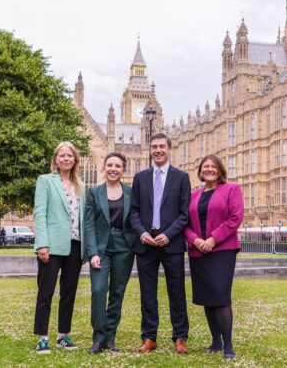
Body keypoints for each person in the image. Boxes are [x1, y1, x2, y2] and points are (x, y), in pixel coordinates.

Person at [130, 133, 191, 354]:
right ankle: (149, 337)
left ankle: (180, 337)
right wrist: (142, 233)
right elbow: (134, 212)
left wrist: (169, 234)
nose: (158, 150)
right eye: (154, 146)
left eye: (162, 146)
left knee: (177, 292)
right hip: (146, 244)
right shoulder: (140, 178)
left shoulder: (181, 177)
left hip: (171, 244)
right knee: (148, 293)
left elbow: (184, 214)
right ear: (150, 150)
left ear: (169, 149)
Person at [184, 155, 244, 360]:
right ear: (200, 171)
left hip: (222, 250)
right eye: (205, 167)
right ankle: (215, 342)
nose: (209, 169)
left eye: (213, 166)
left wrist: (212, 239)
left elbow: (235, 218)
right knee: (207, 298)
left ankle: (228, 345)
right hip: (198, 251)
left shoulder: (231, 189)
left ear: (219, 170)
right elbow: (185, 223)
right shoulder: (194, 195)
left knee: (220, 295)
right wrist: (195, 240)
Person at [33, 141, 85, 354]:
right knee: (46, 291)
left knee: (69, 292)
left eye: (70, 156)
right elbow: (40, 212)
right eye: (62, 155)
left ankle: (63, 335)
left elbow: (83, 217)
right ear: (56, 159)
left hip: (75, 244)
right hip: (52, 245)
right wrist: (42, 244)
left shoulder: (80, 185)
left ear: (75, 160)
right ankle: (42, 337)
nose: (66, 158)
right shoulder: (46, 181)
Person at [84, 152, 136, 354]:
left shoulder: (131, 193)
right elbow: (88, 224)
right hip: (101, 248)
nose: (113, 169)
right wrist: (92, 252)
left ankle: (110, 338)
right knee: (98, 290)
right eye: (110, 165)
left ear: (123, 170)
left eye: (118, 166)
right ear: (103, 168)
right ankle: (98, 337)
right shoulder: (94, 193)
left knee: (117, 293)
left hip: (124, 246)